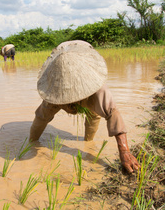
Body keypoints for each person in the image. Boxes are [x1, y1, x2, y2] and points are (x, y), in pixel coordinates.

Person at [29, 40, 140, 173]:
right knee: (43, 115)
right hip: (60, 62)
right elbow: (41, 117)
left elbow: (112, 113)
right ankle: (31, 139)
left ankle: (89, 141)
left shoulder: (98, 90)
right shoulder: (54, 91)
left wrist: (124, 151)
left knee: (93, 114)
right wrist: (31, 143)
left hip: (83, 58)